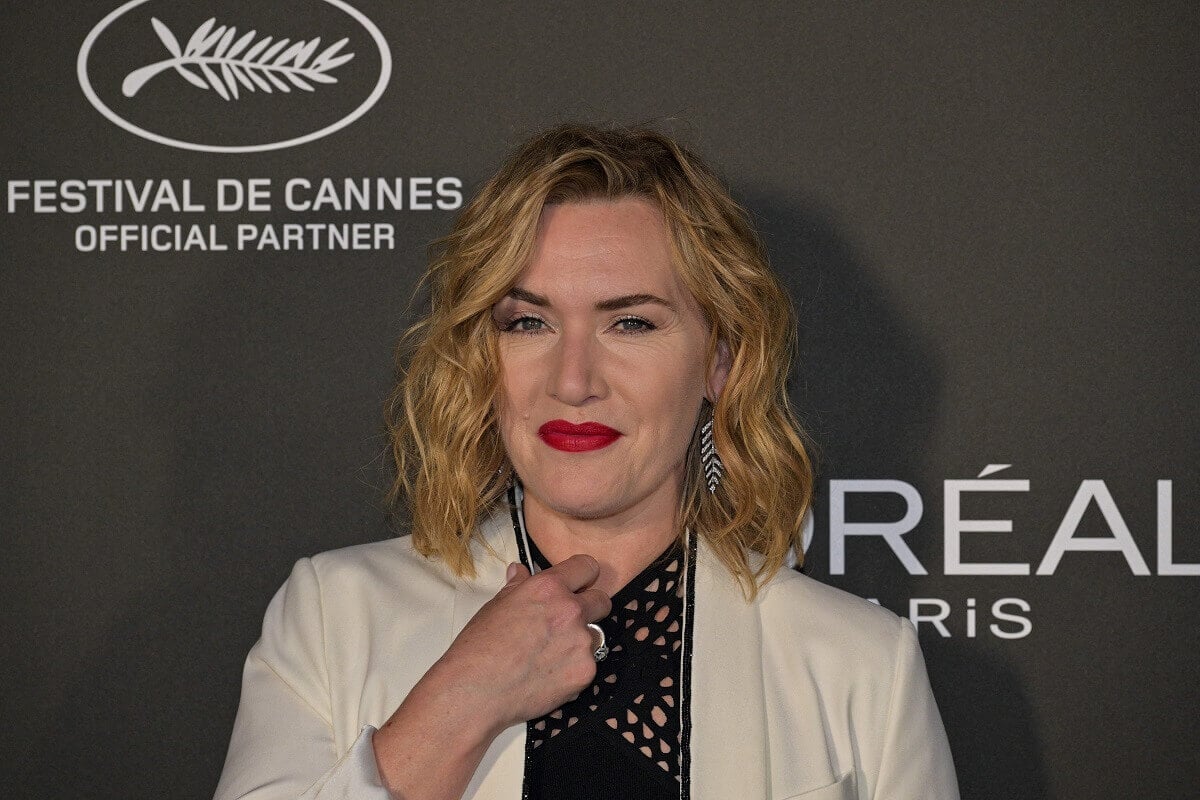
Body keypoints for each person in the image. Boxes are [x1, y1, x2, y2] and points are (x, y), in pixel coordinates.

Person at [214, 124, 960, 800]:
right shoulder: (334, 616)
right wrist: (460, 701)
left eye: (629, 322)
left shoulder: (861, 666)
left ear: (719, 362)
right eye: (528, 322)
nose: (572, 381)